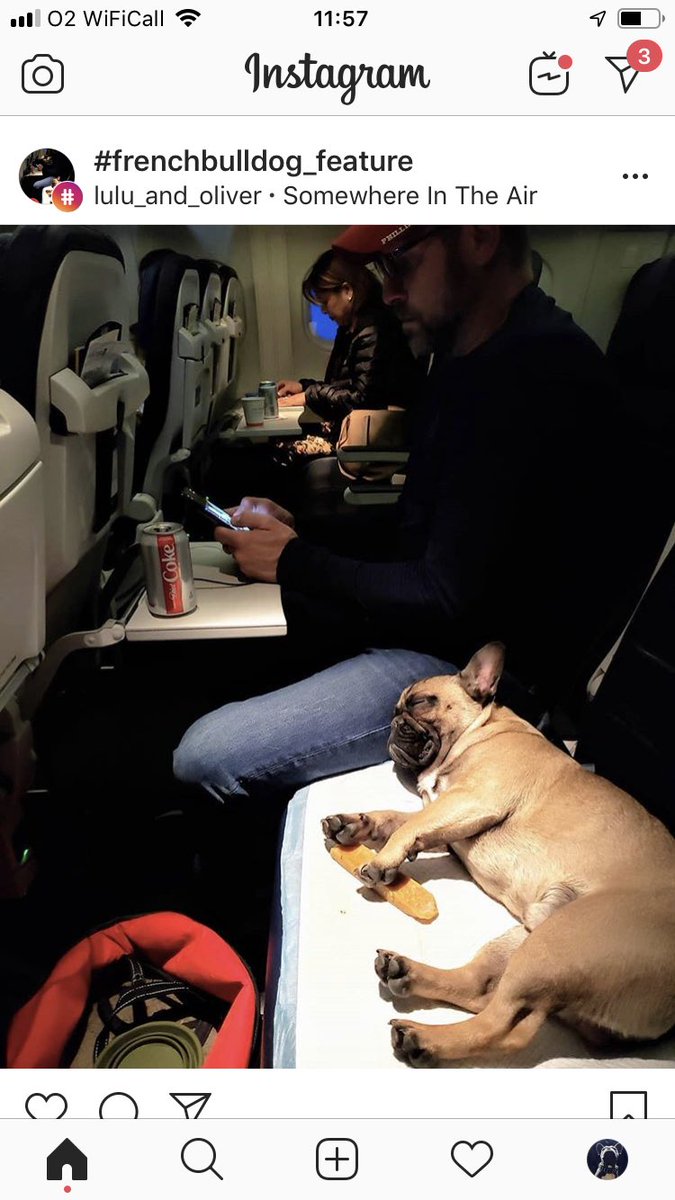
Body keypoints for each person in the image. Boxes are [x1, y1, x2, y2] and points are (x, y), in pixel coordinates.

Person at [174, 224, 628, 804]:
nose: (387, 292)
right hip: (441, 627)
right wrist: (302, 531)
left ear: (479, 237)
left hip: (475, 677)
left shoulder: (536, 376)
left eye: (401, 263)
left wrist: (294, 562)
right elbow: (424, 528)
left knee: (205, 754)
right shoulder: (467, 361)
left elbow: (444, 592)